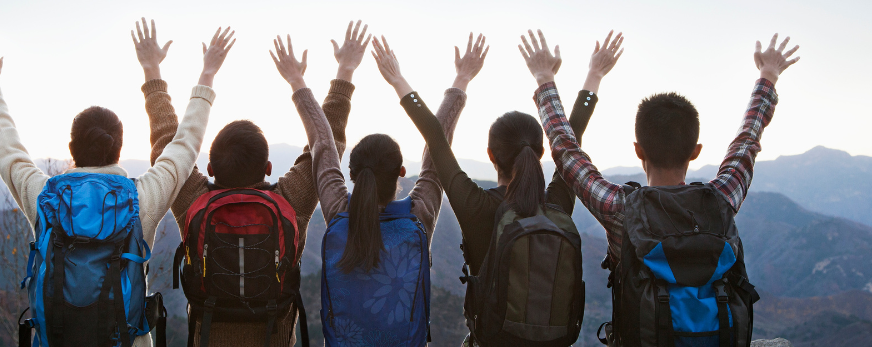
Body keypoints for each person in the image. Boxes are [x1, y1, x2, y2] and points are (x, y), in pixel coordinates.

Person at [524, 29, 799, 346]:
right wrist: (768, 74)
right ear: (695, 151)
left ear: (638, 149)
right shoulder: (722, 198)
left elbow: (565, 149)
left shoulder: (621, 208)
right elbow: (747, 140)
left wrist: (546, 77)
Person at [0, 17, 225, 346]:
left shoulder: (45, 198)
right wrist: (201, 75)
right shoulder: (140, 199)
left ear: (71, 150)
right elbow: (184, 145)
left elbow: (6, 148)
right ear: (119, 150)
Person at [139, 21, 366, 347]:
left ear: (210, 167)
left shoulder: (192, 200)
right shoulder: (291, 199)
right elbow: (326, 145)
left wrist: (165, 71)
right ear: (268, 168)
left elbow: (167, 146)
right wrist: (339, 73)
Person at [400, 30, 621, 346]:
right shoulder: (556, 204)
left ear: (491, 155)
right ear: (541, 153)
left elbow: (435, 135)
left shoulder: (476, 205)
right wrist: (593, 75)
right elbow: (573, 137)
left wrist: (417, 80)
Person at [307, 35, 469, 347]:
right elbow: (437, 146)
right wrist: (460, 80)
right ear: (401, 173)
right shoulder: (419, 215)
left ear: (352, 175)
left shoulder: (339, 210)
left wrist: (319, 76)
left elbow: (323, 143)